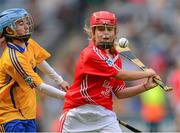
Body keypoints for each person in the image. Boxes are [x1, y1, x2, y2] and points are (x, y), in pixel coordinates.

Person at [58, 11, 159, 132]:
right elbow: (120, 75)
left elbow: (120, 92)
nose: (105, 33)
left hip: (104, 115)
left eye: (109, 29)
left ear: (115, 32)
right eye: (100, 29)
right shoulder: (90, 54)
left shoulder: (115, 57)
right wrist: (146, 73)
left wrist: (145, 86)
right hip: (77, 114)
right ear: (93, 32)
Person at [0, 8, 69, 132]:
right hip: (9, 116)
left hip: (27, 113)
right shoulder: (13, 58)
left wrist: (60, 80)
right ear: (9, 30)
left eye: (26, 22)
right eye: (21, 24)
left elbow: (40, 61)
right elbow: (40, 87)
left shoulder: (28, 43)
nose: (26, 26)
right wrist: (69, 96)